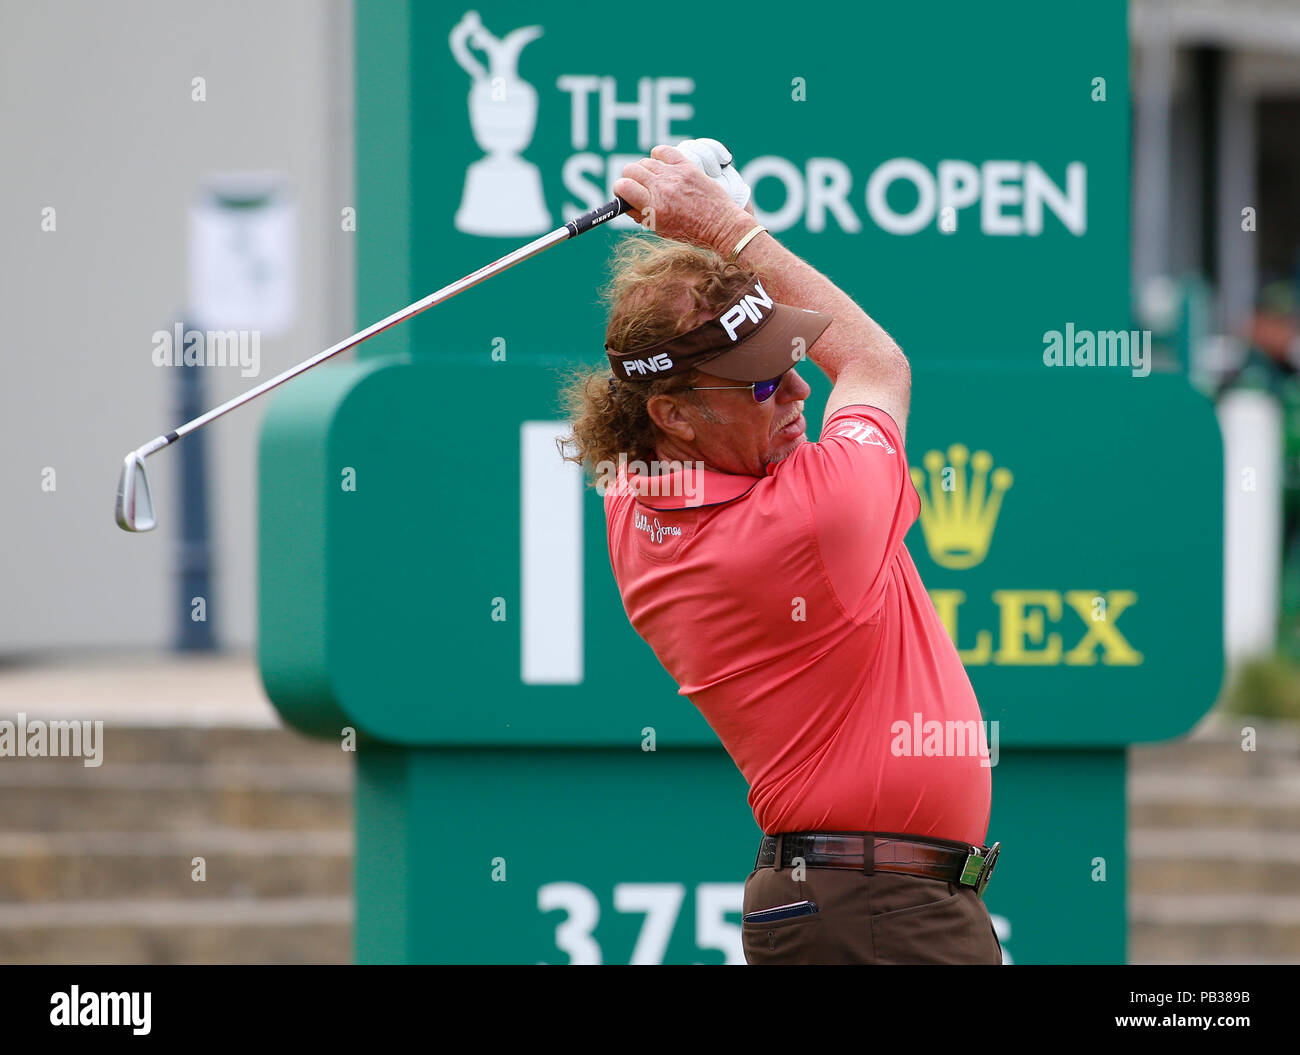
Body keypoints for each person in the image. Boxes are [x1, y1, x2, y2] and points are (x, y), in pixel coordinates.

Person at [557, 141, 1002, 965]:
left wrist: (712, 258)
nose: (800, 388)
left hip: (852, 903)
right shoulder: (809, 519)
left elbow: (673, 371)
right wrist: (728, 225)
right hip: (876, 910)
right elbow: (873, 361)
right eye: (764, 381)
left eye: (790, 361)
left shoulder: (637, 495)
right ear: (676, 416)